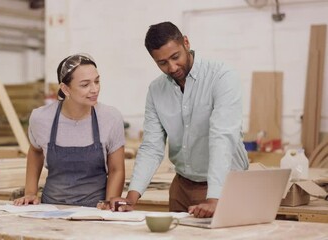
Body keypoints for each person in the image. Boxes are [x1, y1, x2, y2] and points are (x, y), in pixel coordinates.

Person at [109, 22, 248, 217]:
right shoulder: (156, 90)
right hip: (181, 187)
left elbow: (222, 137)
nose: (172, 67)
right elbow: (152, 146)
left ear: (186, 42)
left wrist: (214, 198)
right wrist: (132, 197)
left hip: (226, 187)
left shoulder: (222, 77)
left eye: (175, 57)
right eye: (162, 63)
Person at [13, 53, 125, 207]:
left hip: (95, 210)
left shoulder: (111, 118)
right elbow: (35, 151)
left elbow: (116, 169)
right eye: (85, 85)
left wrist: (109, 203)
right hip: (50, 208)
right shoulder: (41, 118)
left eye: (97, 81)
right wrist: (30, 193)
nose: (95, 89)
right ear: (65, 88)